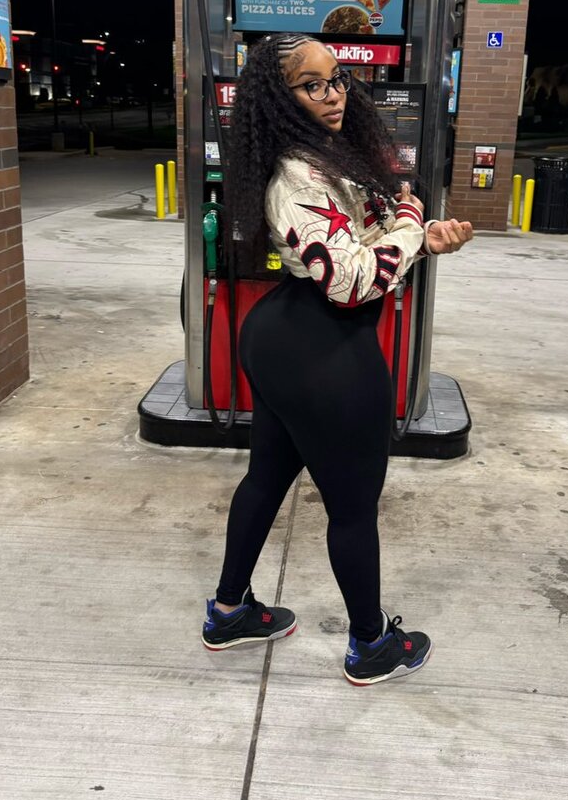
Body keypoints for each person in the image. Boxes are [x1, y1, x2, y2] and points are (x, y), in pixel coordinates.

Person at [201, 34, 473, 685]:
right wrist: (412, 223)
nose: (333, 95)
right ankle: (371, 645)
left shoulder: (325, 157)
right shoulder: (297, 177)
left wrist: (419, 238)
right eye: (312, 85)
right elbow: (350, 282)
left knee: (267, 477)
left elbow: (363, 242)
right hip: (323, 353)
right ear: (280, 98)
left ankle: (229, 611)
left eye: (337, 79)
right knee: (352, 508)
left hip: (288, 340)